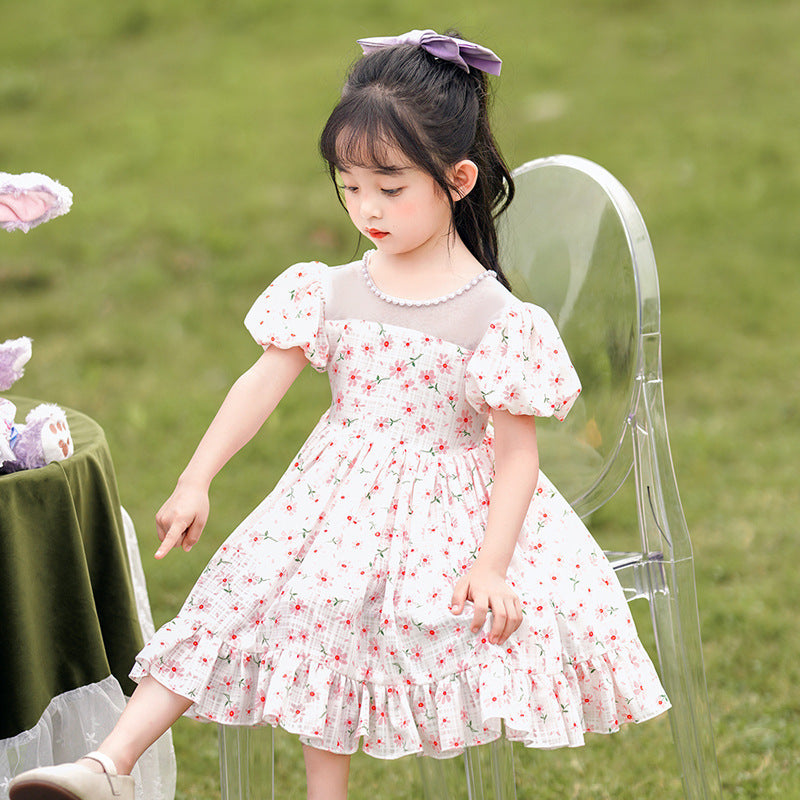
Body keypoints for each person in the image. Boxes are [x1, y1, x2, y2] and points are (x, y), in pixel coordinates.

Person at [10, 28, 670, 800]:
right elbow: (260, 383)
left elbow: (516, 454)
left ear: (457, 180)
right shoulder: (329, 288)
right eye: (349, 187)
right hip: (333, 498)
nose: (367, 209)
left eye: (390, 190)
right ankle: (103, 767)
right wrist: (197, 479)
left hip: (448, 513)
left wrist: (491, 564)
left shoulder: (495, 317)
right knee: (237, 591)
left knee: (338, 616)